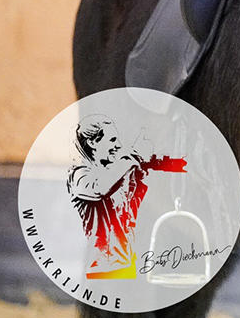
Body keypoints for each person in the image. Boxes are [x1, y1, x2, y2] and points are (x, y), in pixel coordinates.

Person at [67, 114, 187, 279]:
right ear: (93, 143)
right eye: (112, 140)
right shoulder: (82, 175)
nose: (117, 145)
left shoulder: (120, 163)